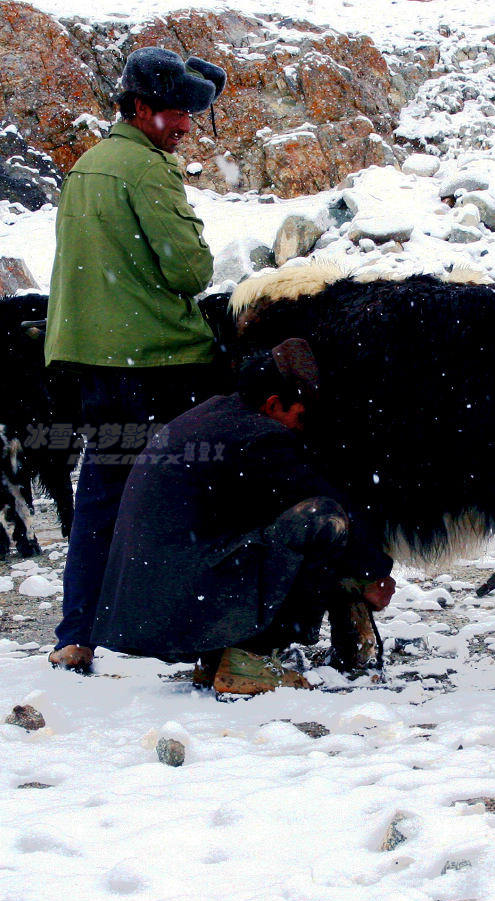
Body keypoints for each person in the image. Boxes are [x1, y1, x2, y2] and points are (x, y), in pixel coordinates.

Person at [45, 47, 228, 672]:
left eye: (189, 114)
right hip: (161, 363)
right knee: (191, 491)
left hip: (96, 363)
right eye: (175, 111)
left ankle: (76, 635)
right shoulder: (148, 170)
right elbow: (190, 269)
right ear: (141, 107)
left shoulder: (88, 166)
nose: (183, 126)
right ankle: (202, 638)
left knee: (102, 495)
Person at [91, 339, 396, 694]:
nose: (300, 426)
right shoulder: (260, 438)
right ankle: (254, 658)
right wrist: (373, 573)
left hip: (154, 608)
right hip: (177, 605)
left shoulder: (216, 415)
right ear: (272, 403)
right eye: (298, 415)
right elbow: (323, 501)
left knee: (262, 528)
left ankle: (220, 654)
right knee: (323, 520)